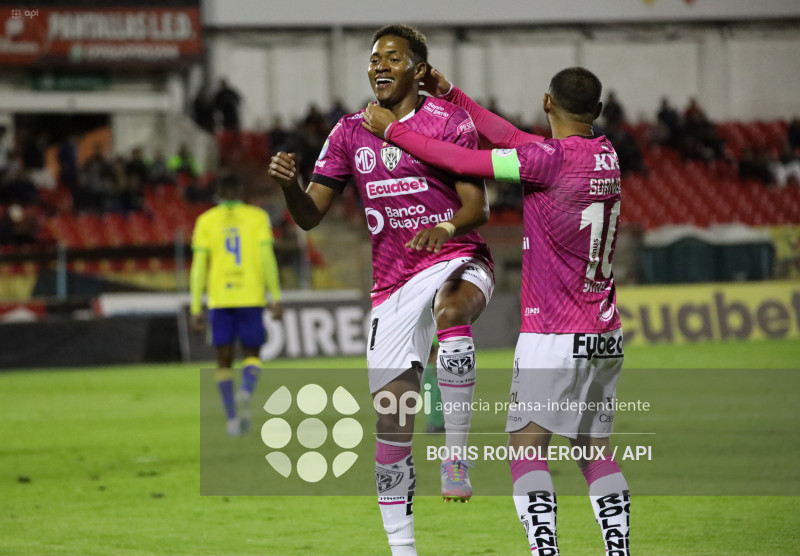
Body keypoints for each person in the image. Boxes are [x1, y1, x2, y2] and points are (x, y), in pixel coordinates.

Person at [363, 66, 630, 556]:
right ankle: (619, 549)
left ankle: (544, 551)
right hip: (605, 335)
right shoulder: (606, 155)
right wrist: (450, 94)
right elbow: (511, 136)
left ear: (546, 103)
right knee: (595, 451)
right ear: (595, 111)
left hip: (552, 333)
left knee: (527, 452)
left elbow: (461, 158)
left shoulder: (543, 161)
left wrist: (393, 131)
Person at [268, 24, 494, 556]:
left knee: (451, 311)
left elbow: (478, 207)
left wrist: (446, 228)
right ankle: (402, 549)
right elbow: (310, 217)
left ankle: (456, 455)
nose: (379, 66)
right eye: (373, 59)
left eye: (392, 57)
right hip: (392, 285)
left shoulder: (449, 121)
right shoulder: (349, 133)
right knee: (393, 422)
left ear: (418, 69)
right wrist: (289, 187)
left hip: (455, 257)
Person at [190, 175, 283, 436]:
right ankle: (246, 390)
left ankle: (231, 419)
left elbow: (199, 267)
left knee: (223, 362)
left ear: (217, 194)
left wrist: (196, 306)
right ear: (241, 192)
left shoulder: (206, 221)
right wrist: (275, 296)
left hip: (220, 299)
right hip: (251, 297)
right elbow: (267, 258)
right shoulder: (257, 217)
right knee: (253, 355)